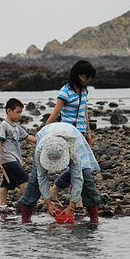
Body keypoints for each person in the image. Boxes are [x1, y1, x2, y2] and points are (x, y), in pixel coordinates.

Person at [17, 122, 101, 223]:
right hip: (47, 133)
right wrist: (48, 203)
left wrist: (71, 207)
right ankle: (25, 219)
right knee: (34, 179)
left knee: (86, 176)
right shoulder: (40, 149)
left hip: (72, 134)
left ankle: (94, 220)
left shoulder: (72, 148)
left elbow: (77, 178)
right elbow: (41, 178)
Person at [44, 60, 96, 203]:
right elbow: (56, 112)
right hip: (68, 133)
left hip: (81, 133)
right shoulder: (65, 91)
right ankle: (74, 197)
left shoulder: (84, 91)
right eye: (87, 76)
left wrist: (88, 131)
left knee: (79, 165)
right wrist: (45, 129)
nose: (88, 80)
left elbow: (84, 110)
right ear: (78, 75)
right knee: (79, 165)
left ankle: (59, 190)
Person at [0, 98, 36, 211]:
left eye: (20, 112)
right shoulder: (4, 125)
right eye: (17, 112)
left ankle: (2, 205)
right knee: (25, 180)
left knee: (7, 182)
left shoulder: (16, 126)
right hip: (8, 159)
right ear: (9, 111)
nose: (19, 115)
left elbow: (27, 137)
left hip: (15, 158)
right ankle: (25, 202)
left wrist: (41, 141)